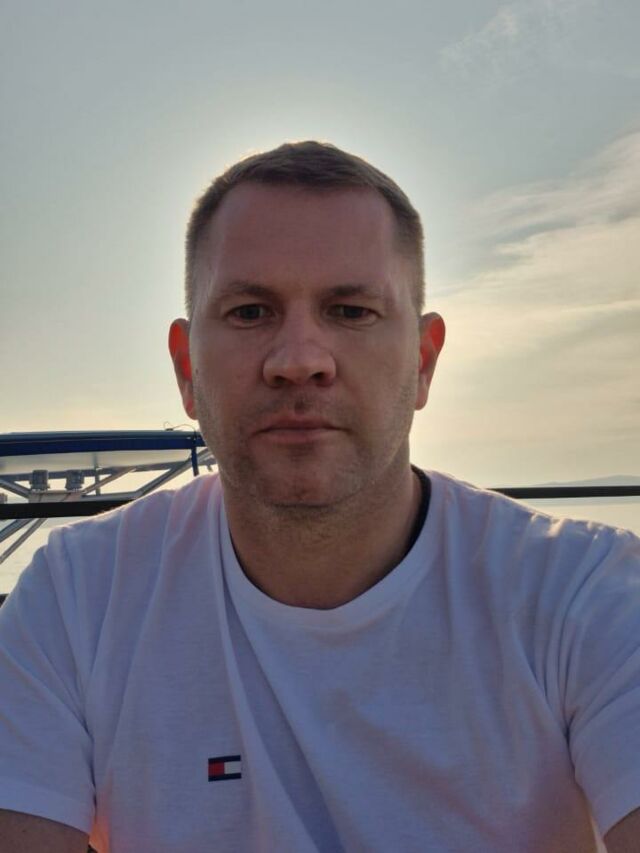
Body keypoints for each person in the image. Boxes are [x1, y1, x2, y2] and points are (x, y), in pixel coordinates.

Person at [0, 141, 639, 853]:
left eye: (351, 310)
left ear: (423, 361)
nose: (299, 360)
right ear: (186, 370)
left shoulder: (587, 594)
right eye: (249, 311)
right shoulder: (77, 599)